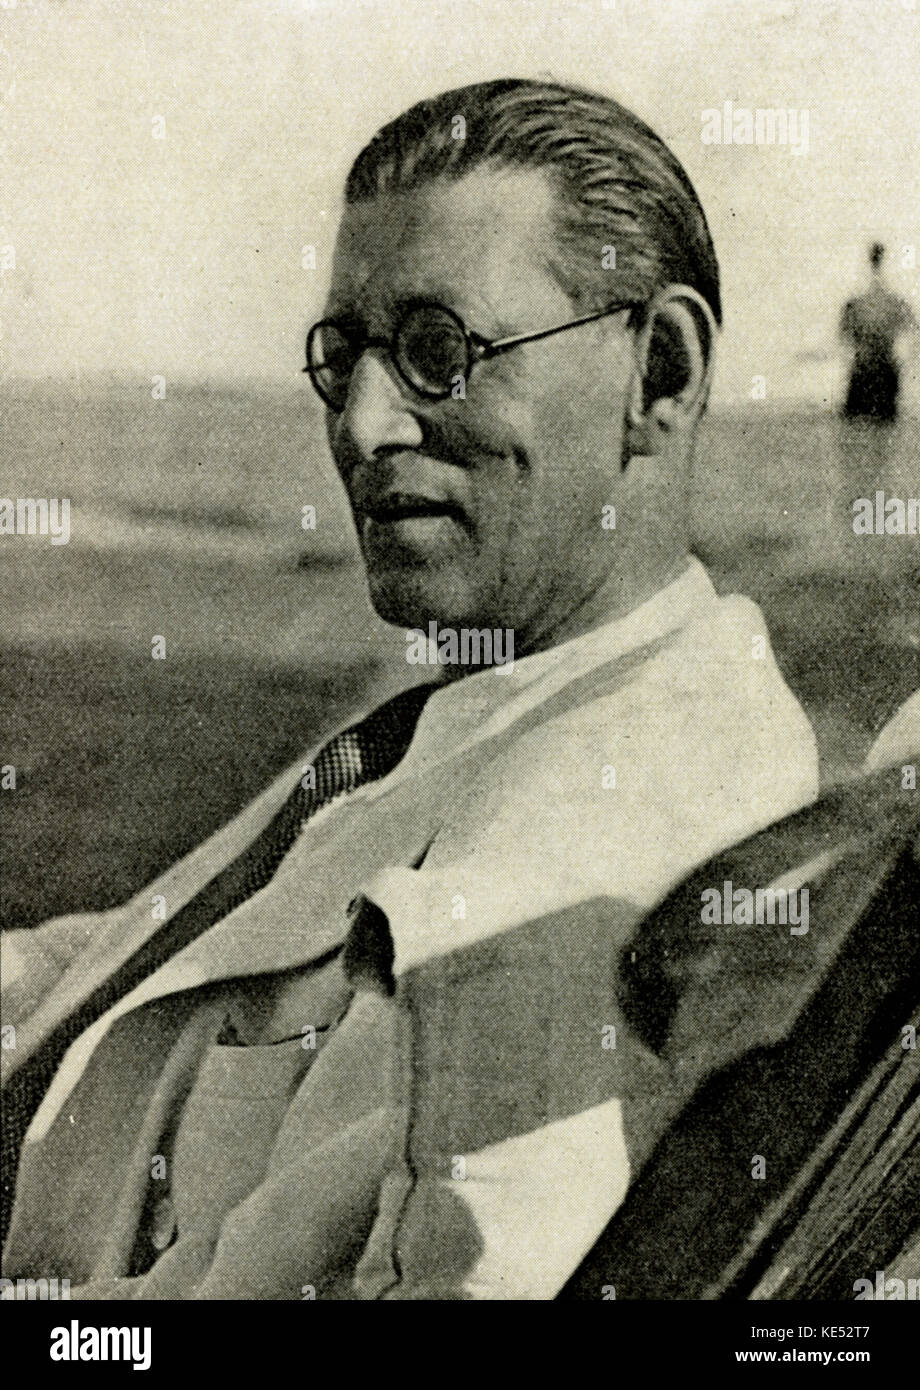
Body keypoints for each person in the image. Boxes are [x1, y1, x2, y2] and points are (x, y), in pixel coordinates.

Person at [1, 78, 818, 1300]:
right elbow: (164, 949)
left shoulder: (574, 859)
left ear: (660, 370)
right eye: (347, 356)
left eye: (441, 351)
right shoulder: (538, 693)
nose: (364, 424)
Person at [840, 242, 916, 424]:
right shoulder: (896, 303)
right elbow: (914, 334)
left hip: (862, 372)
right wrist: (905, 364)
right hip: (886, 372)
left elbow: (843, 340)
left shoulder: (855, 304)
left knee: (854, 434)